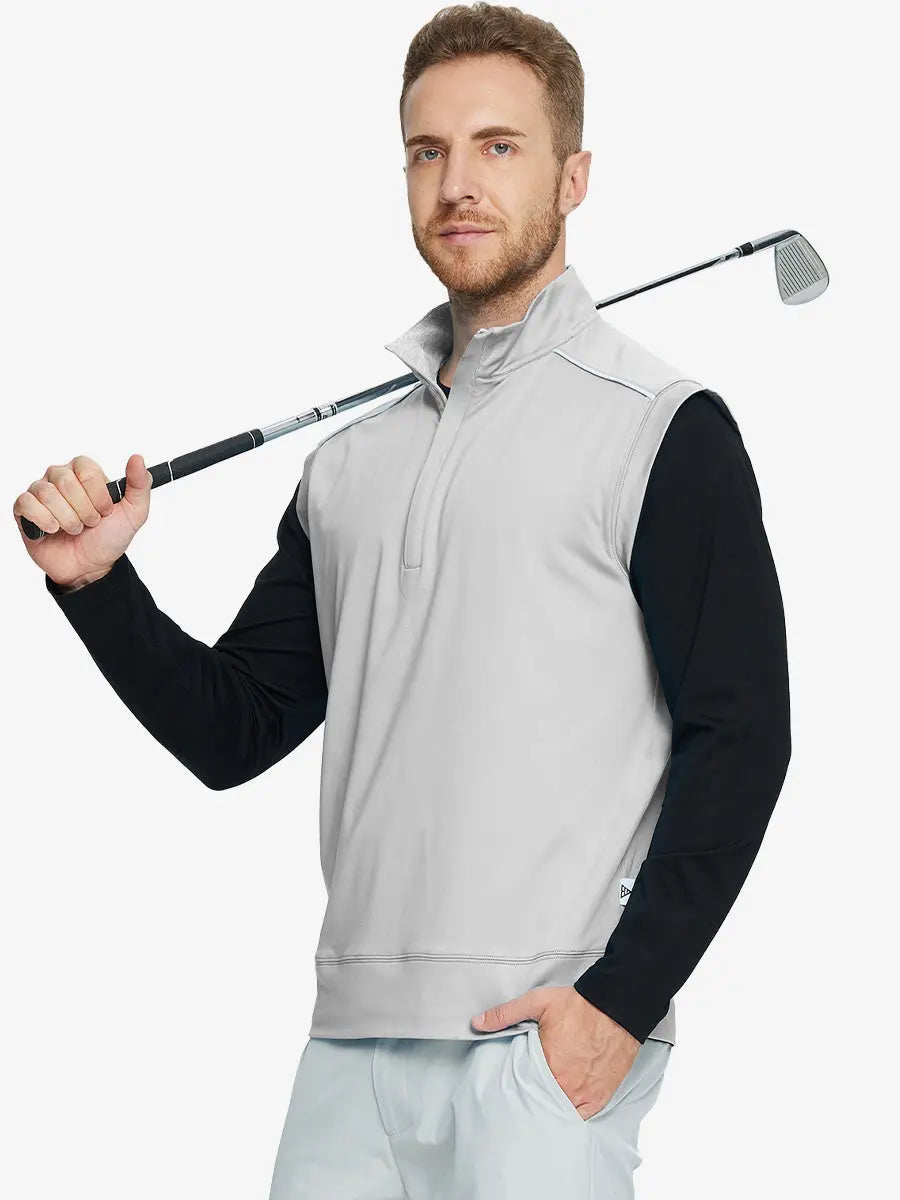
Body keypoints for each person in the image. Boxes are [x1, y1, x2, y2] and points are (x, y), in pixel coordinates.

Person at [14, 5, 791, 1197]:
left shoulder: (660, 429)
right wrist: (97, 586)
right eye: (429, 151)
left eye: (498, 146)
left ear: (573, 176)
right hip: (348, 1045)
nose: (458, 183)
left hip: (542, 1042)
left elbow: (741, 734)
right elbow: (235, 731)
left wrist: (620, 1004)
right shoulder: (349, 469)